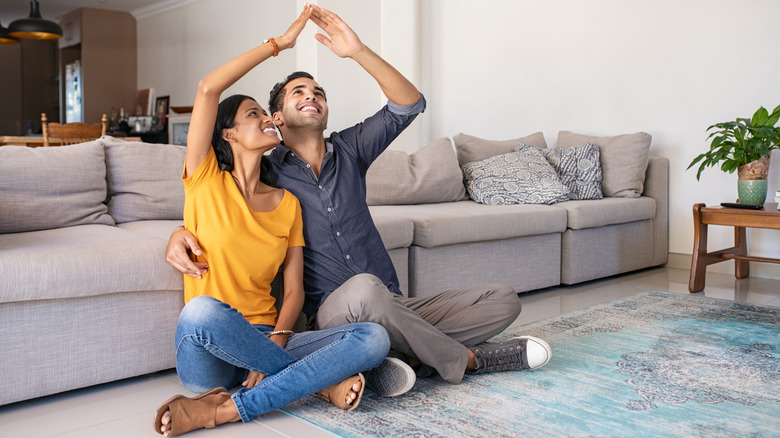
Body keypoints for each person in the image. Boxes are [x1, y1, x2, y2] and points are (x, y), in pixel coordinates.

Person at [167, 5, 551, 400]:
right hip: (336, 314)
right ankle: (463, 360)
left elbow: (409, 104)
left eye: (318, 92)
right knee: (363, 291)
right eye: (297, 92)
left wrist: (358, 51)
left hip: (388, 303)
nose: (310, 96)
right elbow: (215, 196)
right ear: (277, 119)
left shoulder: (346, 152)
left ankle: (400, 353)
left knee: (502, 300)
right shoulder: (269, 172)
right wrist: (178, 232)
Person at [154, 5, 390, 437]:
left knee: (373, 338)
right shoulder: (204, 178)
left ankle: (224, 410)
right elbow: (208, 89)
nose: (266, 119)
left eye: (266, 116)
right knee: (201, 310)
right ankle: (318, 385)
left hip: (269, 336)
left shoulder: (286, 202)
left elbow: (295, 289)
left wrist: (277, 341)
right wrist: (278, 45)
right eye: (252, 116)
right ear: (227, 134)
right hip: (207, 351)